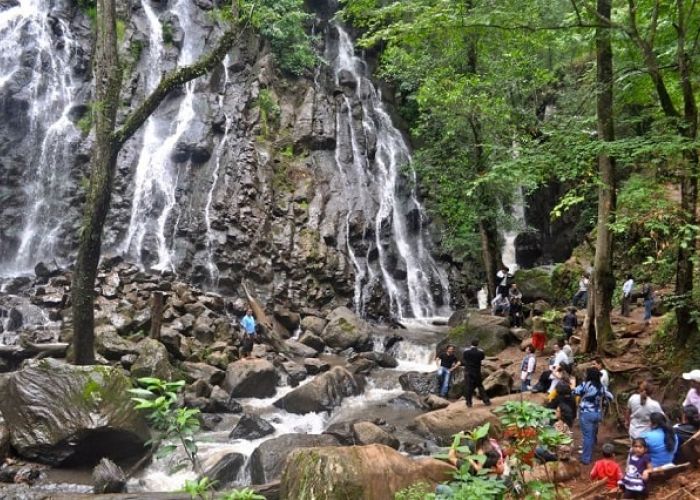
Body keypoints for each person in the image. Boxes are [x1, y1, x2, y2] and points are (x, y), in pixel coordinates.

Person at [574, 368, 613, 465]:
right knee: (592, 433)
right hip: (597, 413)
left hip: (586, 413)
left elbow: (575, 391)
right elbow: (610, 397)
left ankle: (586, 458)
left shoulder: (586, 384)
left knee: (587, 436)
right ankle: (592, 449)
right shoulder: (601, 386)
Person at [462, 339, 491, 407]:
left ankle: (469, 403)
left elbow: (464, 358)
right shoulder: (480, 352)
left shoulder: (466, 352)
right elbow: (482, 358)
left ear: (471, 344)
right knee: (480, 386)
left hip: (468, 371)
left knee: (468, 387)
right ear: (478, 344)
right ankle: (486, 401)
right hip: (477, 372)